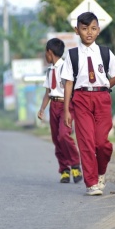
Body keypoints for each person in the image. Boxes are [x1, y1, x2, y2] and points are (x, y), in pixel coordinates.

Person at [61, 12, 115, 196]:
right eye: (84, 28)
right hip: (80, 99)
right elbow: (68, 83)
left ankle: (101, 171)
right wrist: (66, 110)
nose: (89, 32)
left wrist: (105, 86)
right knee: (86, 143)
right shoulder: (72, 55)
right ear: (77, 30)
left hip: (102, 98)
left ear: (98, 31)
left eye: (93, 28)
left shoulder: (104, 52)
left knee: (102, 144)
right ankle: (91, 183)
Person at [37, 38, 83, 184]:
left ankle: (75, 164)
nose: (45, 56)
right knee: (56, 139)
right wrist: (42, 108)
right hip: (54, 106)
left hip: (66, 105)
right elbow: (48, 92)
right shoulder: (49, 71)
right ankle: (64, 169)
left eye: (45, 53)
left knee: (64, 135)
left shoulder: (66, 67)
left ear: (50, 52)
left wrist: (70, 108)